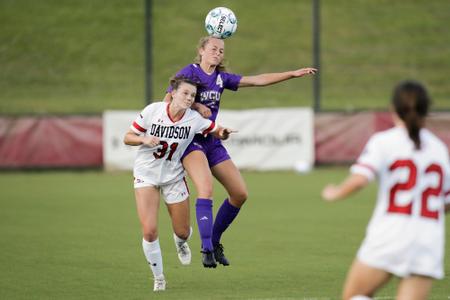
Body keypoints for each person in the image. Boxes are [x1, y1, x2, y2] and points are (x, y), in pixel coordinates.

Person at [164, 36, 317, 268]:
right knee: (206, 189)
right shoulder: (190, 72)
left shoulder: (221, 78)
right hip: (191, 141)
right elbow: (167, 100)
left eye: (221, 50)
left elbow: (257, 81)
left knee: (239, 193)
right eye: (213, 49)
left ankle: (214, 242)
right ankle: (205, 248)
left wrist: (292, 74)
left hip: (212, 141)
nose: (218, 53)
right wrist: (195, 105)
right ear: (202, 51)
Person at [321, 81, 450, 300]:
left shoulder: (385, 141)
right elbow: (445, 202)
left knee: (355, 295)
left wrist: (336, 192)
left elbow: (360, 179)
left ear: (393, 109)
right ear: (426, 110)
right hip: (428, 239)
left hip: (391, 234)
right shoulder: (439, 148)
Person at [124, 75, 235, 291]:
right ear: (172, 93)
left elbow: (215, 129)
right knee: (149, 231)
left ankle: (181, 242)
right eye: (185, 93)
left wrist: (224, 133)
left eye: (192, 95)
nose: (188, 97)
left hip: (174, 177)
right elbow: (128, 136)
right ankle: (159, 278)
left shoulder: (193, 118)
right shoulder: (153, 111)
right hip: (146, 175)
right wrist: (143, 139)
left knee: (183, 231)